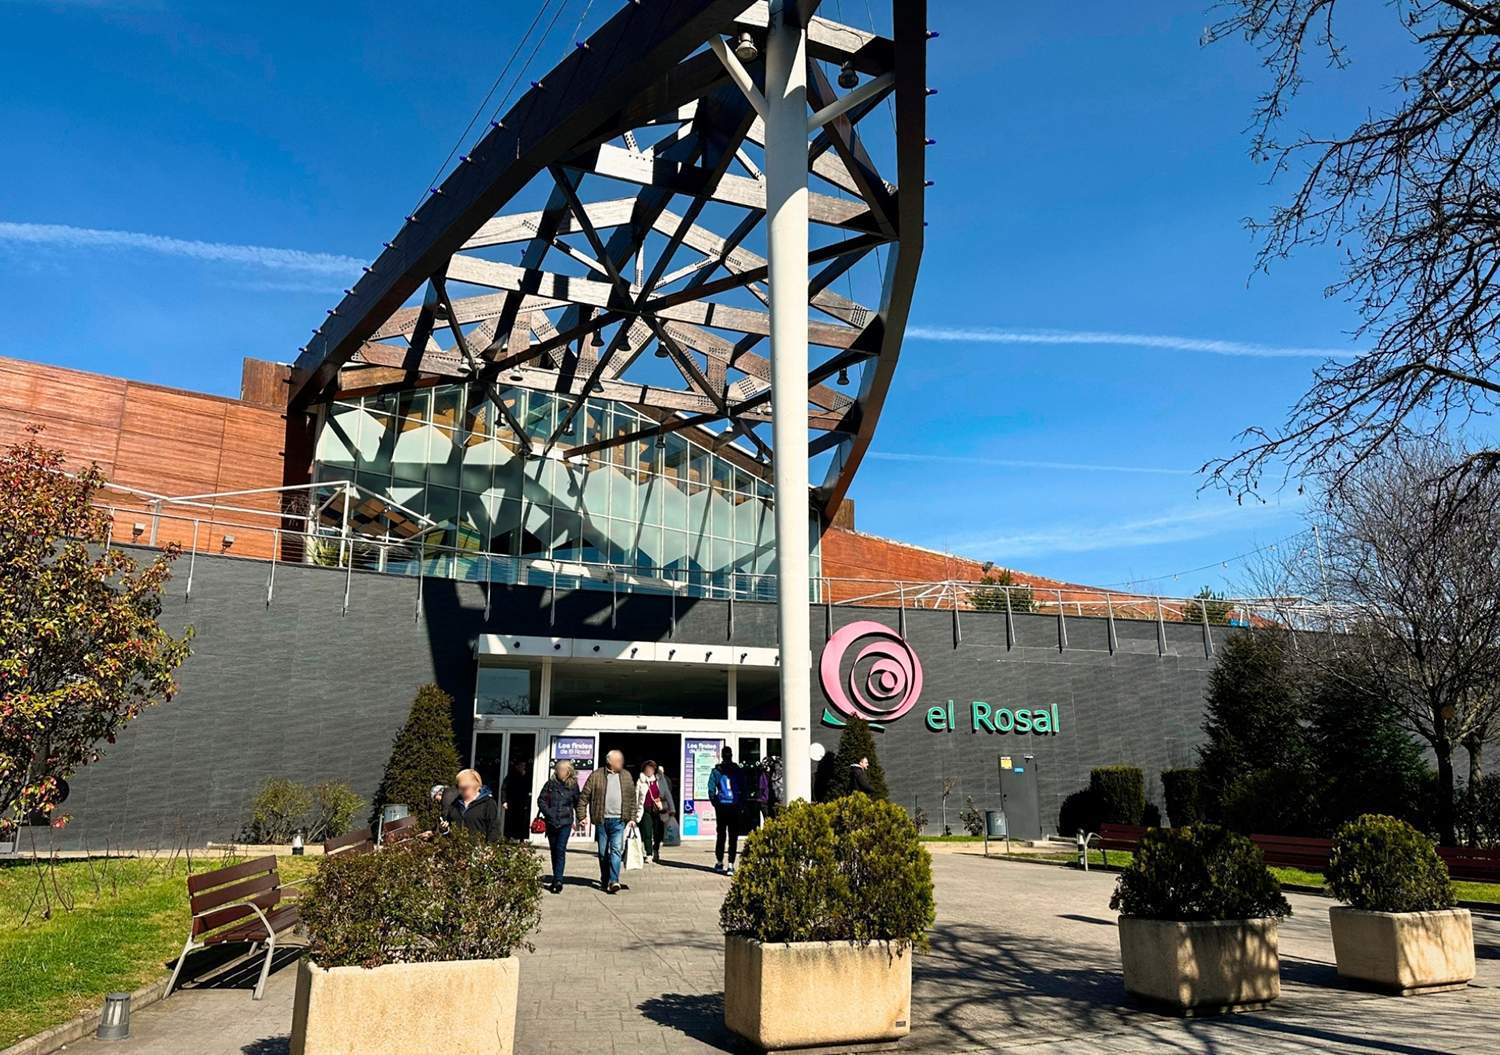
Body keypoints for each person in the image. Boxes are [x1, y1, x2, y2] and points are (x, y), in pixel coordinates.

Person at [577, 749, 636, 893]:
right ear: (609, 762)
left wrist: (632, 818)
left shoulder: (626, 776)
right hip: (601, 820)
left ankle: (614, 880)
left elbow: (632, 799)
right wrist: (581, 816)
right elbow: (584, 797)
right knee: (603, 853)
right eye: (618, 760)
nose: (621, 762)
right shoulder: (596, 775)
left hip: (619, 820)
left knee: (616, 850)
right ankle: (605, 879)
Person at [536, 760, 582, 893]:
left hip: (565, 822)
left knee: (560, 849)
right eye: (558, 769)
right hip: (551, 822)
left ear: (568, 772)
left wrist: (580, 818)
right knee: (554, 850)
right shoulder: (550, 784)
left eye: (562, 769)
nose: (560, 772)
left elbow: (578, 803)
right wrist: (548, 812)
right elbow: (541, 800)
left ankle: (558, 880)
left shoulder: (573, 786)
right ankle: (556, 876)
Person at [707, 746, 744, 874]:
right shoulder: (737, 770)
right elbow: (744, 788)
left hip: (722, 806)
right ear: (731, 755)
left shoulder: (716, 771)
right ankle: (731, 865)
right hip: (734, 805)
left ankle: (719, 862)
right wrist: (741, 804)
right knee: (733, 836)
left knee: (721, 834)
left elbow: (711, 789)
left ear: (722, 756)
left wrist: (715, 802)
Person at [634, 760, 676, 864]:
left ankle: (656, 849)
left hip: (658, 810)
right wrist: (634, 812)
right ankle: (648, 854)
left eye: (651, 769)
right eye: (647, 769)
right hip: (646, 809)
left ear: (654, 770)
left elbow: (667, 794)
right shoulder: (640, 781)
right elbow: (636, 797)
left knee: (658, 833)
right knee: (647, 832)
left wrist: (672, 809)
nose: (649, 771)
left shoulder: (660, 780)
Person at [442, 768, 501, 841]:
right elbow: (448, 823)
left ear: (475, 786)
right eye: (458, 787)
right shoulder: (455, 803)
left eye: (464, 788)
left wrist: (488, 846)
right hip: (456, 846)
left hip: (477, 846)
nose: (460, 791)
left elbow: (494, 829)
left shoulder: (488, 803)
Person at [502, 760, 532, 840]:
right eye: (522, 766)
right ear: (517, 766)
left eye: (524, 766)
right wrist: (504, 801)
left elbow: (528, 788)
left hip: (522, 802)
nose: (523, 768)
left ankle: (521, 837)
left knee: (521, 820)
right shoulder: (511, 776)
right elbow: (504, 788)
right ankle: (509, 836)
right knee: (511, 820)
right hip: (512, 801)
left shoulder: (526, 776)